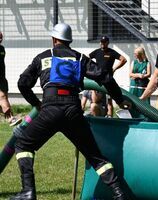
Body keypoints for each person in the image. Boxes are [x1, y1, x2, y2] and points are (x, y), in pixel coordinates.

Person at [11, 23, 131, 200]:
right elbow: (105, 77)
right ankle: (120, 194)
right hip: (73, 109)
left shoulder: (43, 57)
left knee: (23, 145)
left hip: (50, 108)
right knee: (95, 157)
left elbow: (22, 83)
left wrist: (36, 103)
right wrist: (120, 99)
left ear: (54, 39)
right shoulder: (80, 58)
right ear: (69, 41)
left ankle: (28, 192)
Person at [89, 36, 127, 118]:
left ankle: (110, 116)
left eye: (104, 42)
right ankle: (97, 115)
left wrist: (114, 68)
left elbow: (123, 60)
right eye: (101, 42)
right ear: (100, 42)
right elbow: (87, 59)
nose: (102, 43)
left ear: (107, 43)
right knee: (95, 99)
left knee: (109, 100)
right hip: (98, 80)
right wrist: (92, 70)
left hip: (108, 80)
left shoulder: (111, 52)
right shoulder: (96, 52)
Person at [0, 31, 22, 126]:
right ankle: (10, 118)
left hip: (2, 79)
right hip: (1, 79)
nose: (1, 39)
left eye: (1, 37)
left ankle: (10, 117)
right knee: (3, 98)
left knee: (4, 99)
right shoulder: (1, 49)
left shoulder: (2, 49)